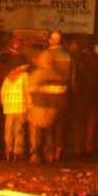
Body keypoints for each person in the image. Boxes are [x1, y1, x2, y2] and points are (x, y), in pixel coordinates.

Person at [28, 31, 73, 163]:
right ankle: (54, 152)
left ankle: (36, 154)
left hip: (42, 100)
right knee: (55, 127)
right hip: (61, 98)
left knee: (38, 127)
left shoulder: (45, 59)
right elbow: (71, 78)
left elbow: (33, 84)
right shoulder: (67, 57)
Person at [0, 54, 30, 163]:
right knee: (19, 131)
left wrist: (4, 103)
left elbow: (2, 93)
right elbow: (27, 93)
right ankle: (17, 152)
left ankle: (8, 151)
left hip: (8, 108)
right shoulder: (25, 76)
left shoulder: (8, 77)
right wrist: (29, 106)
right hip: (20, 106)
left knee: (8, 130)